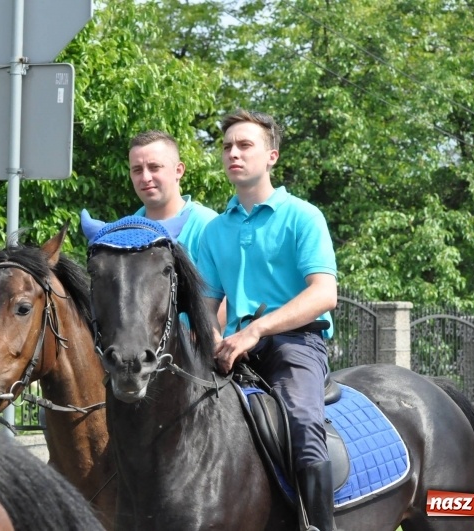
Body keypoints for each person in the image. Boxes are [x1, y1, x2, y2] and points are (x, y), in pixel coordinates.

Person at [196, 110, 338, 531]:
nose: (233, 153)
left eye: (245, 145)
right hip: (233, 350)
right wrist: (213, 339)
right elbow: (205, 305)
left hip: (296, 345)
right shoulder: (214, 231)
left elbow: (324, 294)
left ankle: (318, 525)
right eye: (227, 147)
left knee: (302, 421)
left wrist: (256, 329)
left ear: (272, 156)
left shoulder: (303, 216)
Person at [128, 130, 217, 263]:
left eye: (154, 167)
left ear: (178, 171)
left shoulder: (208, 226)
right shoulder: (126, 230)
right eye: (137, 170)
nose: (145, 178)